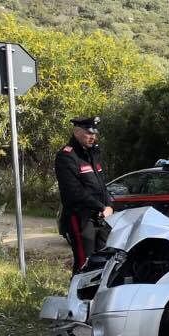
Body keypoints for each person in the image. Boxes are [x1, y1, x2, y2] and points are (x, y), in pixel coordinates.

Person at [56, 116, 111, 274]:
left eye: (94, 132)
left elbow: (102, 186)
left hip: (100, 218)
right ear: (77, 132)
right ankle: (77, 298)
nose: (93, 136)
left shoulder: (92, 154)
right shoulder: (66, 156)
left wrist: (108, 206)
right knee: (84, 264)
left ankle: (95, 297)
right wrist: (100, 206)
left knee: (102, 264)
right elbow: (73, 192)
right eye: (88, 132)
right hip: (80, 218)